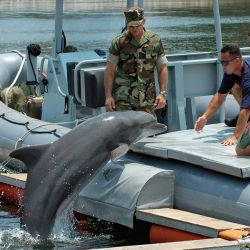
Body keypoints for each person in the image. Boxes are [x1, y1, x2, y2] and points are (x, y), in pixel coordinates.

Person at [104, 7, 168, 115]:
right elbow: (109, 71)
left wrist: (162, 94)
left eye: (137, 25)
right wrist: (108, 96)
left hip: (147, 101)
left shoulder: (155, 40)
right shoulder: (119, 42)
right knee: (123, 131)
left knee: (149, 130)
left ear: (143, 21)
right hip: (123, 101)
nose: (134, 29)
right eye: (130, 26)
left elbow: (162, 68)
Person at [194, 44, 250, 146]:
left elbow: (246, 110)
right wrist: (205, 117)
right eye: (221, 62)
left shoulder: (248, 76)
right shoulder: (231, 73)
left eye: (225, 62)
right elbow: (220, 96)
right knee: (234, 86)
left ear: (237, 61)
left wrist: (236, 137)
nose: (223, 66)